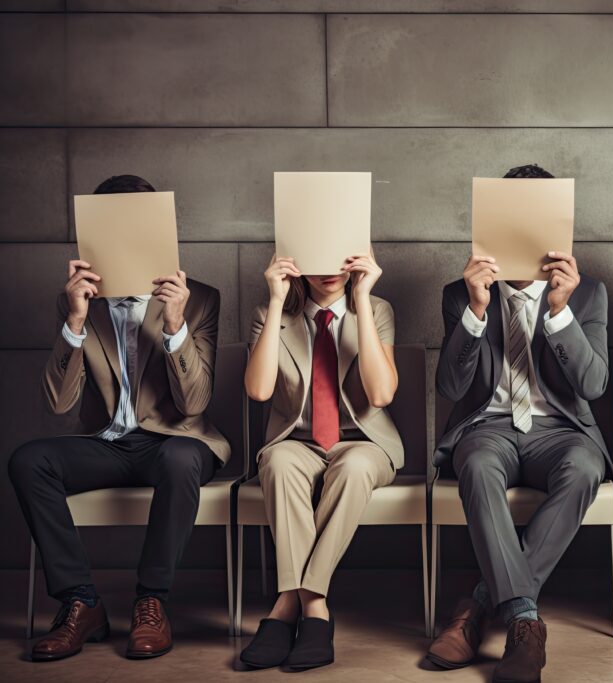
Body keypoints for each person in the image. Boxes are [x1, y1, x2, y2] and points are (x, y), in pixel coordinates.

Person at [8, 174, 226, 662]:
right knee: (29, 460)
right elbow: (59, 405)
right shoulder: (76, 304)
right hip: (107, 444)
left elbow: (194, 404)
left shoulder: (201, 299)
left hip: (174, 444)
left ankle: (151, 601)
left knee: (180, 456)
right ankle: (80, 602)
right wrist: (75, 322)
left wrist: (175, 324)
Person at [426, 164, 611, 683]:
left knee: (584, 467)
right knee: (478, 465)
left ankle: (481, 604)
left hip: (561, 430)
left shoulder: (588, 294)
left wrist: (559, 313)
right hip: (490, 427)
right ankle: (526, 623)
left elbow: (593, 386)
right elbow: (449, 390)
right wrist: (477, 311)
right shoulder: (459, 294)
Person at [238, 247, 402, 672]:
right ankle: (316, 612)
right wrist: (276, 301)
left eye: (339, 259)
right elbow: (258, 391)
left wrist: (361, 300)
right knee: (278, 463)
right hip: (298, 440)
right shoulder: (269, 311)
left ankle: (294, 604)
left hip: (362, 441)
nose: (330, 272)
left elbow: (381, 395)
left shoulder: (377, 308)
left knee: (354, 467)